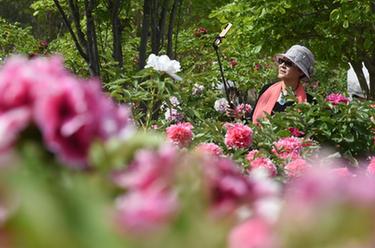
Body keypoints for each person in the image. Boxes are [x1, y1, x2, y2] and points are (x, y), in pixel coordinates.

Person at [250, 45, 315, 124]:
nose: (282, 65)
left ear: (300, 71)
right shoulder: (267, 89)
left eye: (288, 63)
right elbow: (251, 119)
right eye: (281, 61)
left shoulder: (309, 102)